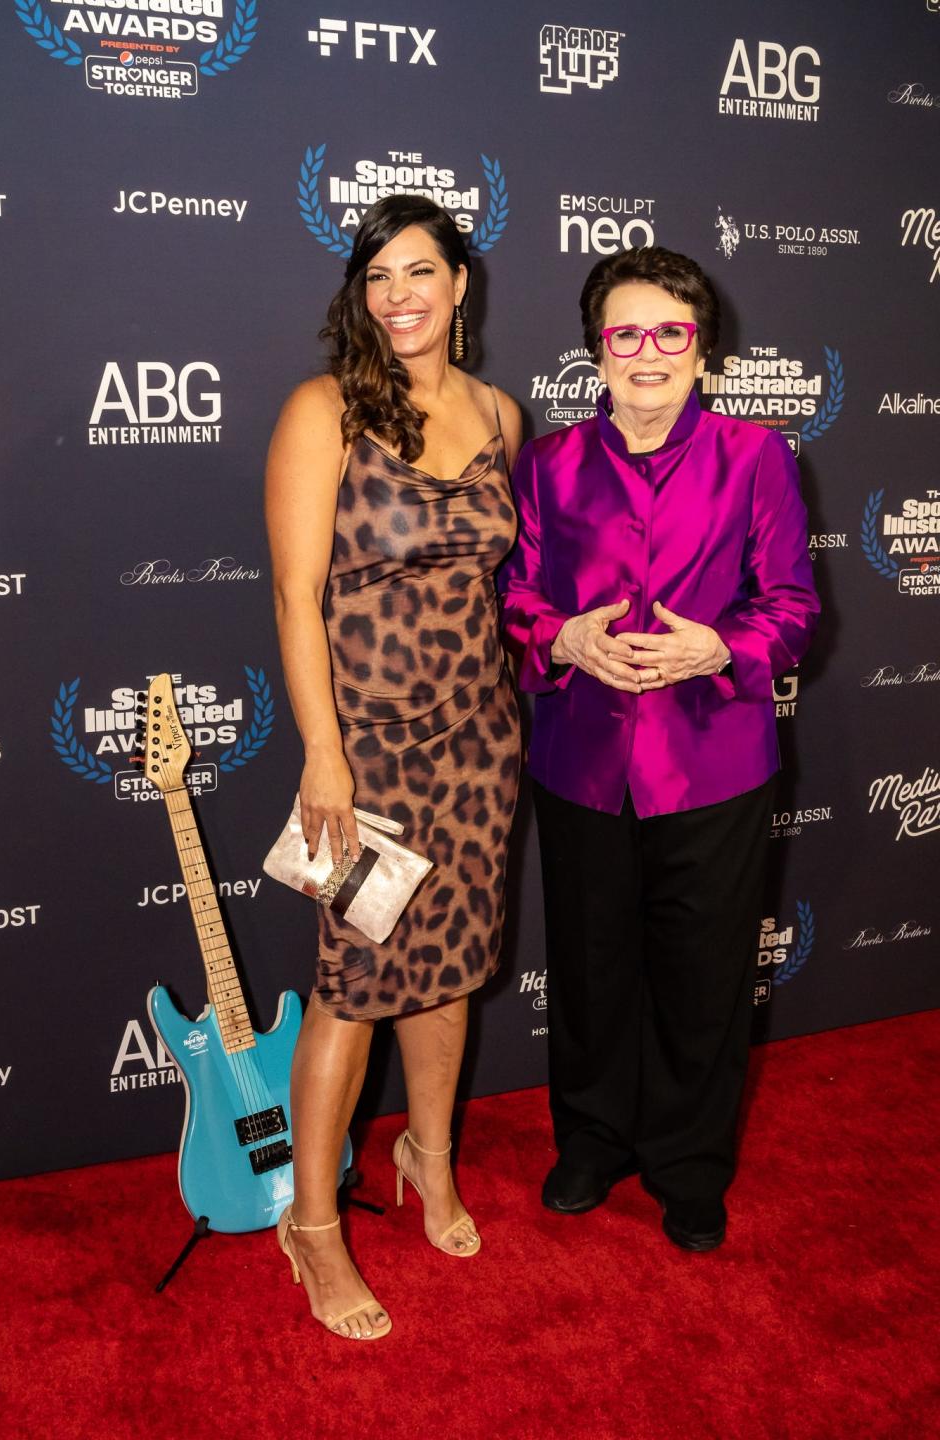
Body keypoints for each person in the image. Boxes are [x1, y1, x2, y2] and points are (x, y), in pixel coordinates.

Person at [500, 246, 819, 1251]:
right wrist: (563, 637)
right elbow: (517, 599)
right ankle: (592, 1142)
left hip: (713, 761)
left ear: (701, 347)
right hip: (581, 764)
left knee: (705, 975)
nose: (647, 352)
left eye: (669, 332)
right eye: (625, 332)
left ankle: (689, 1163)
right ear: (598, 351)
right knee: (591, 970)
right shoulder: (547, 465)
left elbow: (794, 606)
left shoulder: (757, 457)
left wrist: (721, 646)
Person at [265, 195, 521, 1338]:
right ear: (360, 294)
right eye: (379, 277)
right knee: (354, 984)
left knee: (456, 965)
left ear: (461, 283)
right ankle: (312, 1227)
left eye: (422, 271)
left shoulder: (504, 414)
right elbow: (294, 595)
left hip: (481, 738)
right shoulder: (325, 411)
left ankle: (428, 1154)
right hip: (365, 746)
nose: (401, 294)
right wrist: (324, 754)